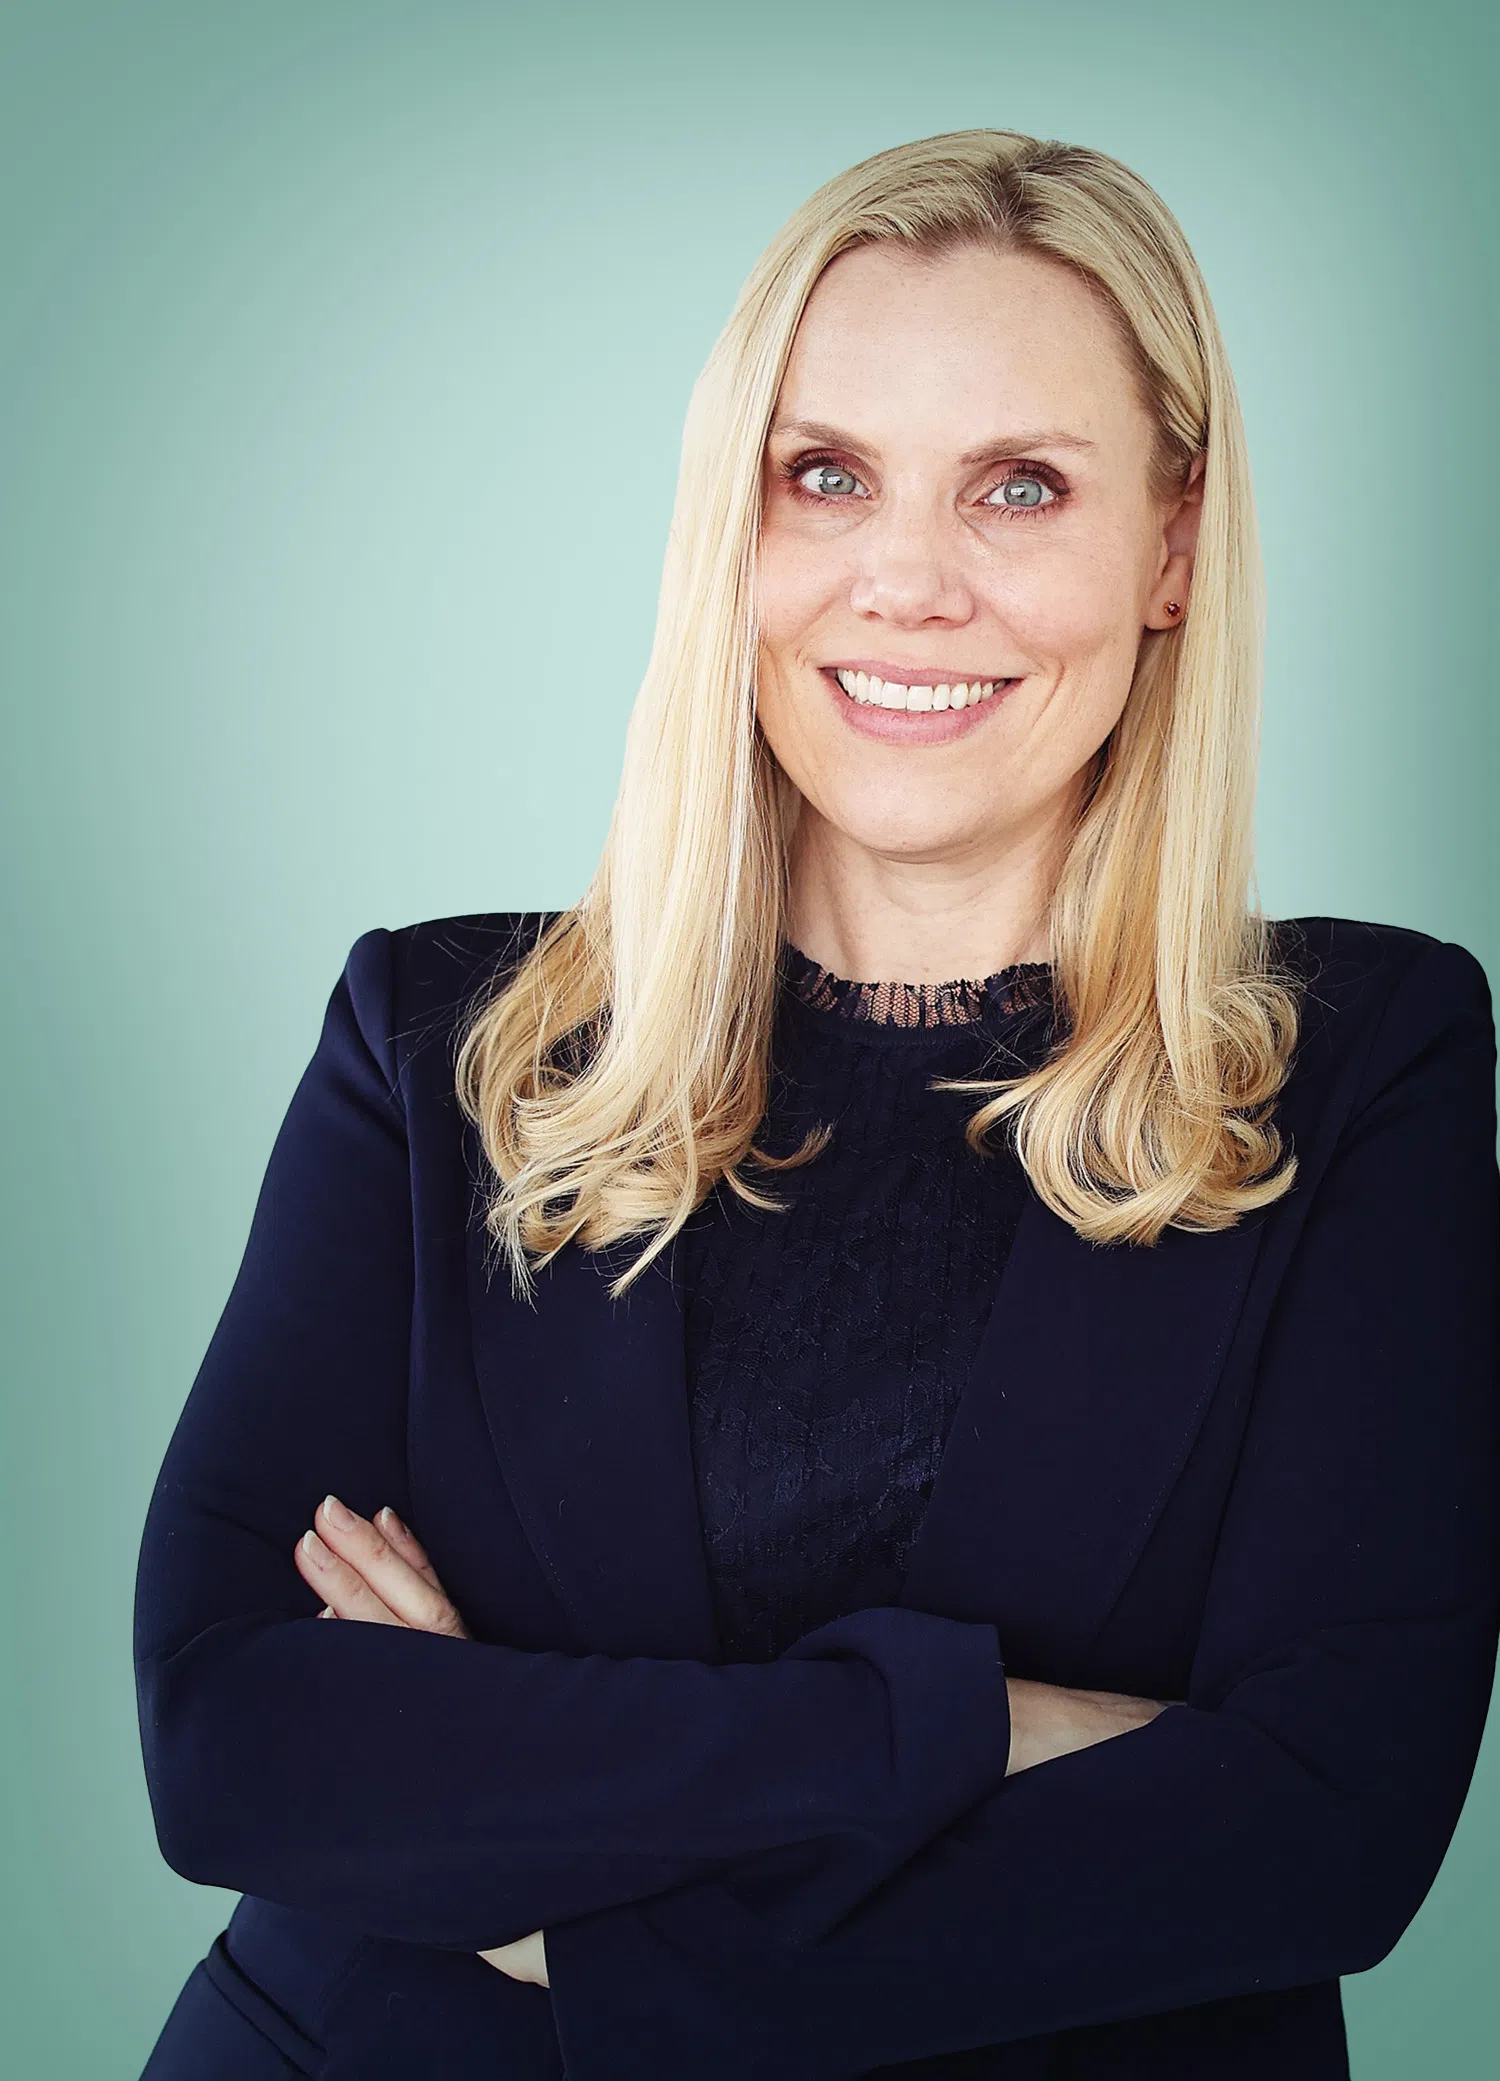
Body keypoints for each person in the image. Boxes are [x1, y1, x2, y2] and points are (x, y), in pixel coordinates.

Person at [133, 129, 1500, 2080]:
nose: (908, 582)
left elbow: (1321, 1831)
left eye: (1020, 487)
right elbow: (236, 1740)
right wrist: (967, 1723)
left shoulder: (1365, 1061)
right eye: (827, 476)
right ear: (736, 527)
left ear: (1174, 546)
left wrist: (538, 1872)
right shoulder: (437, 1037)